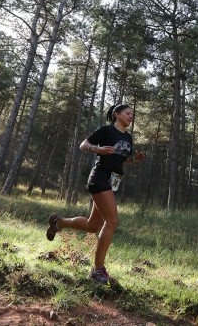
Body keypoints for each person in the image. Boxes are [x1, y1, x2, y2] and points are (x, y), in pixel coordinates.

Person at [46, 104, 145, 285]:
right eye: (128, 113)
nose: (131, 116)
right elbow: (83, 144)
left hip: (112, 181)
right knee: (112, 221)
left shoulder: (128, 137)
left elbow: (122, 158)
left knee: (93, 226)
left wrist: (134, 160)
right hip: (99, 178)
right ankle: (98, 270)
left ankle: (57, 222)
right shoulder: (106, 130)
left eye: (132, 114)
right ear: (117, 114)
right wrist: (97, 149)